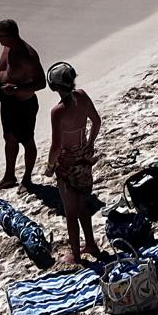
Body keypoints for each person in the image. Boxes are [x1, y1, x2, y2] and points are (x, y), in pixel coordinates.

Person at [45, 61, 103, 263]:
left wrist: (50, 167)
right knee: (82, 204)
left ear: (54, 87)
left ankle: (76, 255)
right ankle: (91, 243)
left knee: (70, 212)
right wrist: (90, 143)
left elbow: (56, 146)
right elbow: (96, 121)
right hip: (84, 159)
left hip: (67, 164)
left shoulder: (58, 111)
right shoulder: (83, 96)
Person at [0, 19, 45, 188]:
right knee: (9, 138)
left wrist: (18, 88)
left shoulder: (27, 55)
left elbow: (41, 83)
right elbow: (3, 66)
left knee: (28, 141)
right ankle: (9, 176)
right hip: (8, 102)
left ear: (10, 35)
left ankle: (27, 179)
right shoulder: (7, 47)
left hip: (24, 105)